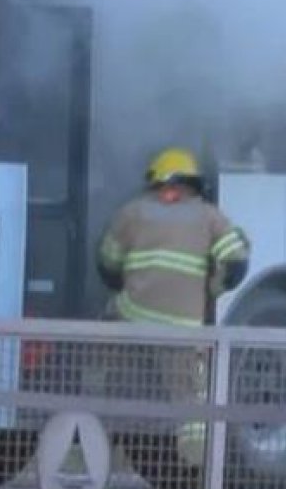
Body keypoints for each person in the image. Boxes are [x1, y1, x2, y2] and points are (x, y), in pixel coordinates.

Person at [96, 146, 249, 467]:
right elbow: (236, 261)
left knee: (113, 388)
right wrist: (214, 288)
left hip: (131, 321)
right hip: (182, 332)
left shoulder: (132, 212)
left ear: (155, 182)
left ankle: (95, 461)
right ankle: (196, 471)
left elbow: (107, 263)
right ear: (193, 183)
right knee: (192, 401)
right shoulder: (209, 216)